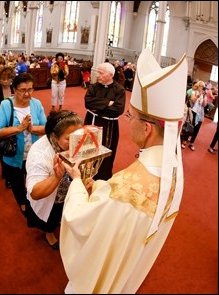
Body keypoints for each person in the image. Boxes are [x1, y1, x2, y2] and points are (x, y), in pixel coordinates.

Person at [59, 48, 187, 294]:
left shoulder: (128, 186)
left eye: (131, 116)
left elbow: (83, 219)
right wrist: (98, 187)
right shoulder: (173, 172)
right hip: (130, 268)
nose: (128, 120)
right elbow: (116, 206)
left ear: (147, 129)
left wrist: (77, 181)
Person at [26, 110, 83, 249]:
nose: (76, 143)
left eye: (79, 136)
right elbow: (35, 192)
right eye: (69, 139)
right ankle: (49, 233)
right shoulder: (40, 154)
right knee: (51, 218)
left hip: (68, 191)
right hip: (52, 197)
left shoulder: (73, 143)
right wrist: (56, 177)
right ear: (54, 135)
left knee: (64, 213)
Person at [0, 72, 47, 216]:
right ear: (15, 90)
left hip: (34, 155)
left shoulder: (36, 104)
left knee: (34, 180)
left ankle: (34, 202)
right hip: (14, 156)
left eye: (30, 89)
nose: (27, 94)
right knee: (17, 183)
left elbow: (47, 127)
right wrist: (20, 128)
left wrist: (32, 129)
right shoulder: (6, 105)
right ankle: (23, 203)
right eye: (23, 90)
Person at [83, 61, 126, 180]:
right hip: (92, 121)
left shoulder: (119, 90)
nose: (97, 75)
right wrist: (108, 103)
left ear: (111, 75)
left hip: (109, 126)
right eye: (97, 72)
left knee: (106, 152)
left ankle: (103, 178)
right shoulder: (93, 86)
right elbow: (88, 102)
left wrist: (98, 106)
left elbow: (118, 109)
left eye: (101, 73)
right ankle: (86, 175)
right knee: (88, 149)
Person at [0, 66, 16, 189]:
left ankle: (12, 172)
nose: (6, 81)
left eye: (9, 79)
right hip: (1, 121)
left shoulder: (14, 88)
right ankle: (6, 174)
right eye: (4, 79)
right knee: (3, 149)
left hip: (13, 121)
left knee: (13, 148)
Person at [181, 80, 207, 151]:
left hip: (200, 114)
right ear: (198, 86)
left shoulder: (204, 95)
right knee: (190, 127)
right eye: (202, 86)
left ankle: (192, 143)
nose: (203, 88)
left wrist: (204, 97)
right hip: (193, 112)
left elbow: (204, 105)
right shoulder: (194, 92)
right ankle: (185, 141)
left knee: (197, 129)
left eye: (204, 87)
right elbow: (193, 100)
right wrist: (198, 95)